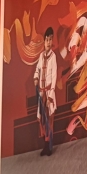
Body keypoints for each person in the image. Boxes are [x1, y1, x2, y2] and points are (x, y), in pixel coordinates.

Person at [33, 28, 59, 156]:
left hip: (49, 93)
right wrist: (36, 77)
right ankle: (45, 145)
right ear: (44, 41)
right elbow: (37, 69)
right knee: (42, 119)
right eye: (47, 40)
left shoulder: (53, 57)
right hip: (42, 93)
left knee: (49, 119)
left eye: (50, 40)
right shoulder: (41, 56)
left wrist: (50, 97)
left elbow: (54, 77)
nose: (48, 42)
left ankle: (49, 146)